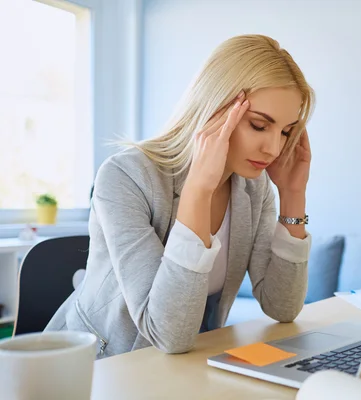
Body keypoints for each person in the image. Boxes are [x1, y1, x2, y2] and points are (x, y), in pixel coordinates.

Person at [44, 34, 315, 359]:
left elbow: (282, 306)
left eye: (285, 131)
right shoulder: (125, 177)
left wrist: (293, 194)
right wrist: (199, 190)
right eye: (259, 125)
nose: (273, 149)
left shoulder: (253, 189)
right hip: (102, 366)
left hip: (185, 363)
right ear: (213, 109)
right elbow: (166, 333)